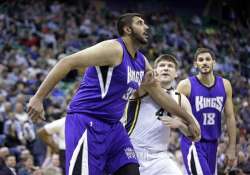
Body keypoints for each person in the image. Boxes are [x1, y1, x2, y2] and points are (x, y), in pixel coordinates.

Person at [27, 13, 200, 175]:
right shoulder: (113, 49)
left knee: (131, 170)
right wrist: (39, 97)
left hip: (114, 128)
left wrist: (189, 119)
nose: (146, 27)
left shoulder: (141, 61)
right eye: (140, 23)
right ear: (127, 29)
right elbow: (67, 62)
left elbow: (161, 95)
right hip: (87, 121)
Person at [124, 54, 200, 175]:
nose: (166, 68)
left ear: (176, 73)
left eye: (170, 66)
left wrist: (180, 124)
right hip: (132, 152)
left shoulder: (180, 99)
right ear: (154, 71)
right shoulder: (144, 87)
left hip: (159, 157)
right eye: (162, 65)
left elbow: (197, 135)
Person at [177, 48, 236, 175]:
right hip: (193, 142)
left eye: (208, 59)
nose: (204, 62)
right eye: (201, 60)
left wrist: (232, 147)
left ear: (213, 62)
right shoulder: (185, 85)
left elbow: (230, 117)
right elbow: (176, 113)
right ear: (195, 64)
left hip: (213, 143)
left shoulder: (225, 85)